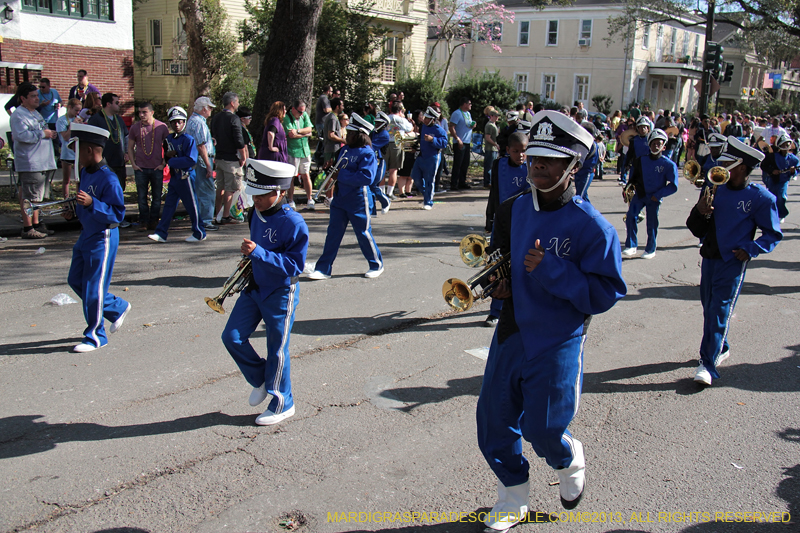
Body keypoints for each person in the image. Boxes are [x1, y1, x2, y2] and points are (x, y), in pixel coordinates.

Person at [477, 110, 626, 531]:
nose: (538, 165)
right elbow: (501, 260)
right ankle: (513, 498)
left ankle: (567, 457)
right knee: (492, 421)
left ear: (573, 166)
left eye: (551, 159)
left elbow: (606, 292)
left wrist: (551, 270)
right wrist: (500, 286)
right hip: (512, 330)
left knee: (543, 429)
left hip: (558, 338)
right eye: (534, 157)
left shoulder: (593, 227)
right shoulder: (513, 210)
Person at [685, 137, 781, 386]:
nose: (721, 169)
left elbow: (773, 233)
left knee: (719, 311)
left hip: (732, 261)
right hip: (709, 257)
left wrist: (751, 248)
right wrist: (700, 211)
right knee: (709, 309)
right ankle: (721, 345)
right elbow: (695, 229)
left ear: (740, 167)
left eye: (727, 165)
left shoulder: (761, 197)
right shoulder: (715, 188)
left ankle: (707, 363)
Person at [221, 159, 309, 426]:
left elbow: (295, 265)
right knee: (231, 337)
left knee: (277, 350)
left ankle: (283, 402)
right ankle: (261, 378)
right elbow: (258, 249)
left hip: (280, 293)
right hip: (254, 287)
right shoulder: (255, 214)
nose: (255, 199)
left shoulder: (293, 222)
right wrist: (249, 261)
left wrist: (258, 253)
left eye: (262, 194)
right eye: (253, 193)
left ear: (281, 192)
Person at [62, 124, 131, 353]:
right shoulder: (85, 172)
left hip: (103, 236)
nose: (76, 156)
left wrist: (93, 204)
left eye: (78, 150)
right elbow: (84, 205)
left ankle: (95, 336)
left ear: (91, 150)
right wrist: (74, 212)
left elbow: (118, 214)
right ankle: (116, 307)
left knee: (93, 286)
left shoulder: (108, 178)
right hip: (86, 234)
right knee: (76, 279)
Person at [306, 113, 384, 280]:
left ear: (358, 135)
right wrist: (331, 171)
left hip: (358, 199)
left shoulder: (367, 153)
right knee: (333, 234)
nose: (345, 136)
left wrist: (340, 175)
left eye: (349, 133)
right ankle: (324, 269)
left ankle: (376, 264)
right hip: (340, 198)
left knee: (363, 233)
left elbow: (366, 177)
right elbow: (337, 170)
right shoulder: (345, 149)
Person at [483, 131, 529, 327]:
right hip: (501, 226)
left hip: (524, 225)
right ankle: (495, 310)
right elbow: (494, 194)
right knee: (497, 267)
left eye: (524, 151)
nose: (520, 155)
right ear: (508, 150)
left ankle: (521, 306)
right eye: (516, 151)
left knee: (520, 267)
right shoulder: (499, 164)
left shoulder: (532, 166)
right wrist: (489, 219)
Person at [147, 106, 205, 243]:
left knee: (192, 205)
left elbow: (191, 160)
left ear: (184, 122)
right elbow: (166, 155)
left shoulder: (188, 139)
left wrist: (173, 161)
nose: (177, 125)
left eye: (180, 122)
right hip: (175, 177)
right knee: (168, 205)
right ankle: (161, 233)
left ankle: (199, 231)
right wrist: (167, 159)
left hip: (186, 176)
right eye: (174, 122)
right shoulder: (169, 139)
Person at [622, 129, 679, 259]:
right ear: (649, 144)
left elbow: (673, 186)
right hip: (640, 195)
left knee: (652, 224)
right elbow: (634, 177)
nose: (656, 146)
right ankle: (631, 245)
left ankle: (650, 249)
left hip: (654, 198)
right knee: (631, 216)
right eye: (653, 143)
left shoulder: (668, 164)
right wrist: (627, 188)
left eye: (659, 143)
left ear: (664, 146)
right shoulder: (641, 160)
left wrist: (659, 195)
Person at [11, 82, 58, 239]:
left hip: (43, 161)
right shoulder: (19, 115)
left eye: (37, 95)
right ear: (23, 98)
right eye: (33, 96)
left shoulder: (36, 113)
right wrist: (43, 134)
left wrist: (50, 133)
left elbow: (41, 130)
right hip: (31, 162)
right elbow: (21, 136)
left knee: (37, 197)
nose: (37, 98)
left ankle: (37, 224)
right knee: (29, 197)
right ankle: (28, 227)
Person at [88, 93, 129, 226]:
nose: (119, 105)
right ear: (108, 104)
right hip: (104, 163)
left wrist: (127, 152)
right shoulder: (96, 119)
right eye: (116, 102)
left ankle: (117, 217)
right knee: (105, 190)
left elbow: (126, 137)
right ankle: (103, 216)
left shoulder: (119, 119)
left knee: (118, 189)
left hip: (119, 161)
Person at [128, 101, 169, 231]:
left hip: (156, 167)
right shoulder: (135, 128)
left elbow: (169, 147)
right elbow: (129, 147)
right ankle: (144, 222)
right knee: (141, 197)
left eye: (144, 112)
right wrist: (133, 164)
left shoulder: (161, 127)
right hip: (140, 168)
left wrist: (163, 163)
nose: (141, 115)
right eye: (139, 112)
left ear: (152, 112)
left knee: (157, 198)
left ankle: (154, 222)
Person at [210, 92, 247, 225]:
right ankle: (225, 215)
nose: (238, 104)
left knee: (220, 186)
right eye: (237, 102)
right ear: (232, 103)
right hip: (231, 158)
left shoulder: (215, 118)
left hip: (219, 156)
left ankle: (218, 212)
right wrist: (243, 156)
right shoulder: (234, 119)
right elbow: (238, 139)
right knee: (231, 187)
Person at [185, 96, 218, 232]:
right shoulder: (198, 123)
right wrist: (208, 165)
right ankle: (206, 220)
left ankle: (202, 219)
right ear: (204, 109)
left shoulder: (193, 121)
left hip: (198, 160)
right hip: (202, 160)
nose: (210, 110)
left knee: (201, 190)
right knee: (207, 190)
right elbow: (200, 145)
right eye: (209, 108)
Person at [410, 106, 448, 210]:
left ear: (433, 119)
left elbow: (444, 143)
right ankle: (427, 194)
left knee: (429, 180)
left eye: (427, 118)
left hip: (432, 158)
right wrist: (415, 147)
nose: (425, 120)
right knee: (415, 177)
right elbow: (420, 140)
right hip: (421, 156)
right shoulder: (423, 127)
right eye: (425, 117)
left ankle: (428, 201)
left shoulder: (439, 130)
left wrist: (433, 140)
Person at [283, 100, 315, 210]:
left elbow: (310, 129)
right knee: (291, 176)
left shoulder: (304, 115)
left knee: (306, 175)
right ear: (293, 109)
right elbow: (290, 134)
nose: (301, 114)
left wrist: (298, 131)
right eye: (299, 112)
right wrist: (304, 134)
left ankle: (310, 199)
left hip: (304, 150)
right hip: (293, 151)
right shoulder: (287, 117)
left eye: (303, 112)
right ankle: (290, 199)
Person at [761, 133, 798, 222]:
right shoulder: (773, 156)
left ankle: (781, 214)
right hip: (773, 180)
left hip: (784, 180)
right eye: (784, 144)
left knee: (781, 196)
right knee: (772, 197)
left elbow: (796, 170)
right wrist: (772, 171)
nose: (786, 145)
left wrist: (794, 171)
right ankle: (771, 213)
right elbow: (763, 166)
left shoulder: (794, 159)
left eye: (788, 144)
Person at [384, 101, 413, 198]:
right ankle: (389, 193)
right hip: (396, 144)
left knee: (383, 169)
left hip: (385, 143)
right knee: (393, 170)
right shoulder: (401, 119)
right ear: (400, 110)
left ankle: (381, 192)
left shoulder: (386, 118)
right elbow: (410, 129)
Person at [57, 98, 83, 198]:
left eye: (79, 110)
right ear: (69, 108)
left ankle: (79, 198)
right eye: (76, 110)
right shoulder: (62, 120)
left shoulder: (79, 117)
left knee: (79, 178)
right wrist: (73, 125)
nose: (78, 112)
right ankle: (66, 199)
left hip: (78, 153)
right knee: (66, 179)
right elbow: (66, 137)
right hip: (67, 153)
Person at [449, 97, 475, 190]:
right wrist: (457, 138)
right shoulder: (457, 113)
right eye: (469, 103)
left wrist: (472, 126)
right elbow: (451, 127)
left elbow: (467, 125)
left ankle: (462, 182)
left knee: (465, 163)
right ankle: (454, 183)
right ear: (464, 104)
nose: (470, 105)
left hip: (467, 141)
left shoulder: (468, 114)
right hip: (459, 141)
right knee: (458, 163)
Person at [369, 111, 392, 215]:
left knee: (373, 185)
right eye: (376, 123)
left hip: (380, 162)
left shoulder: (384, 135)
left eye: (379, 123)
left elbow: (371, 146)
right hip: (372, 162)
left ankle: (385, 201)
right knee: (370, 186)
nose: (376, 125)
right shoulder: (373, 133)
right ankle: (372, 210)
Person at [322, 98, 346, 164]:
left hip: (334, 149)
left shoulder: (334, 117)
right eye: (342, 105)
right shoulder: (332, 118)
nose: (343, 107)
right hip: (332, 150)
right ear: (337, 106)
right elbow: (331, 135)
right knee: (331, 171)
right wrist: (343, 141)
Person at [483, 108, 500, 188]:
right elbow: (487, 137)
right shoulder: (489, 125)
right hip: (490, 149)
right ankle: (487, 182)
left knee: (492, 166)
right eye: (496, 116)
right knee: (489, 166)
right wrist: (495, 144)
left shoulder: (494, 125)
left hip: (494, 149)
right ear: (491, 116)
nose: (497, 118)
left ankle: (490, 181)